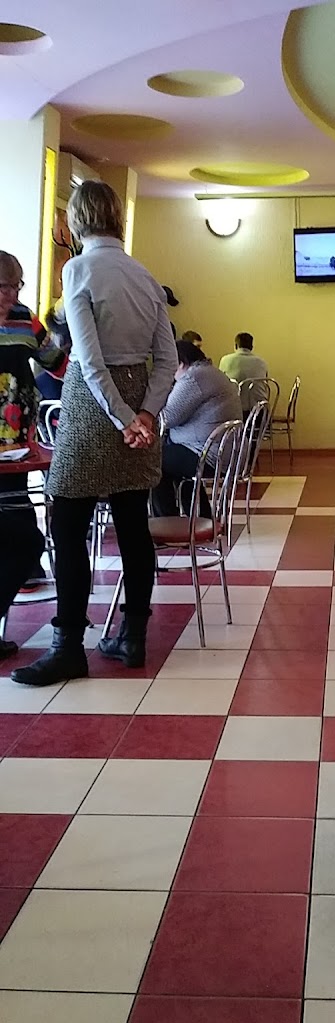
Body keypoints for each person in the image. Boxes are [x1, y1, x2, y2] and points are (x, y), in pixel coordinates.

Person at [12, 181, 178, 686]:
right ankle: (133, 637)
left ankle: (68, 648)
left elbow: (86, 360)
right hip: (138, 398)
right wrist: (145, 415)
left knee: (68, 526)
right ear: (118, 219)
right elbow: (167, 359)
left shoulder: (78, 269)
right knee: (132, 525)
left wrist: (124, 418)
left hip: (92, 403)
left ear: (77, 220)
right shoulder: (145, 276)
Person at [0, 252, 68, 656]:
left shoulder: (25, 318)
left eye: (16, 286)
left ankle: (27, 570)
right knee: (19, 529)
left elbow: (55, 362)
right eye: (3, 287)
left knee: (17, 510)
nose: (11, 294)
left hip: (18, 438)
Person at [152, 339, 242, 518]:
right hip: (225, 451)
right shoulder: (210, 372)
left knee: (153, 461)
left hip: (209, 454)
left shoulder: (193, 378)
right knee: (174, 458)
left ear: (179, 363)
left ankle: (167, 521)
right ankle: (200, 517)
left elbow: (167, 418)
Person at [219, 332, 268, 417]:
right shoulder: (262, 363)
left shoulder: (225, 360)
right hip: (259, 412)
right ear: (251, 347)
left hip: (234, 412)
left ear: (236, 346)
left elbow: (220, 385)